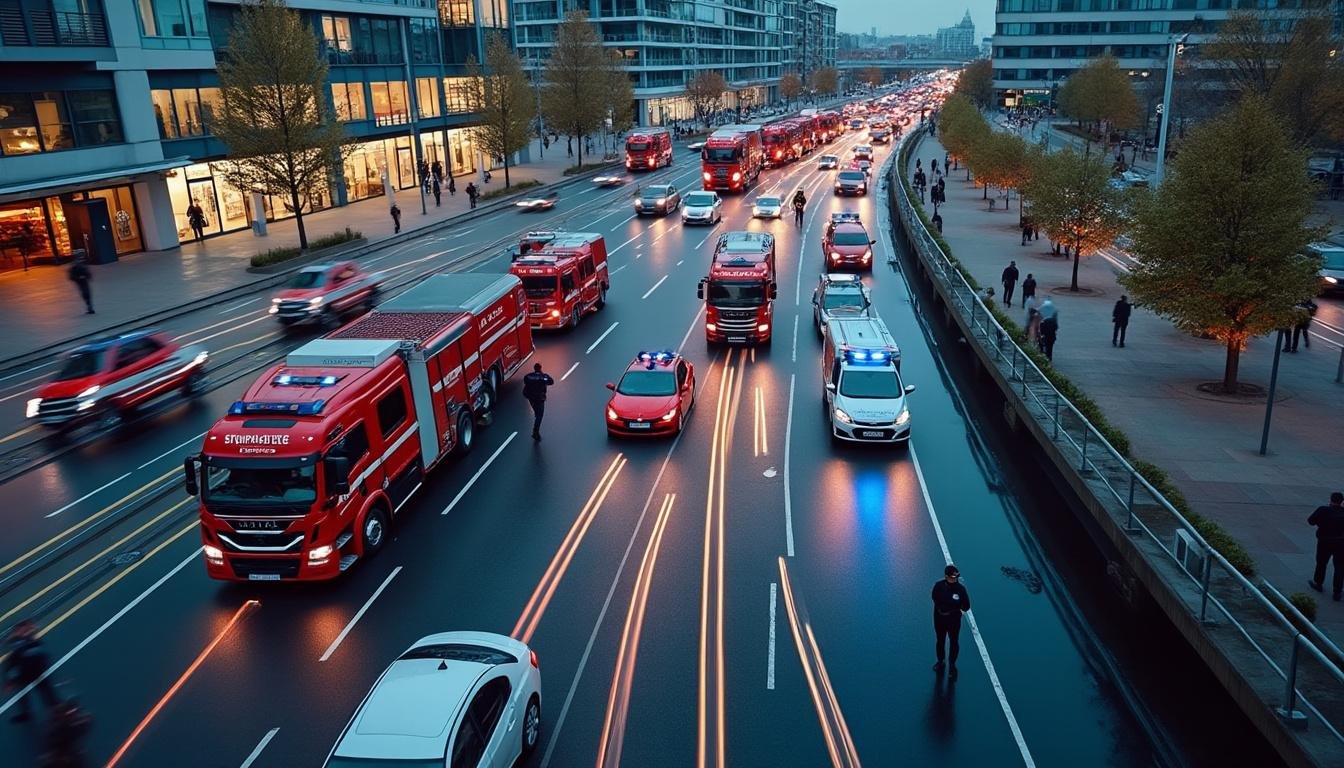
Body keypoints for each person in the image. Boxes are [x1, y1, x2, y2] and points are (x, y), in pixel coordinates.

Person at [3, 620, 58, 722]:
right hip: (26, 672)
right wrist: (10, 680)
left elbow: (38, 656)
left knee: (47, 693)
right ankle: (26, 713)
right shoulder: (19, 642)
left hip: (36, 671)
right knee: (25, 695)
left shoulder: (30, 642)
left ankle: (56, 710)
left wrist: (11, 679)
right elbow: (14, 659)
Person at [931, 564, 971, 680]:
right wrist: (941, 607)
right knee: (940, 640)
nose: (955, 579)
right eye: (953, 577)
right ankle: (941, 661)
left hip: (953, 621)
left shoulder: (960, 589)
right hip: (939, 619)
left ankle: (952, 665)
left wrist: (955, 609)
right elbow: (934, 597)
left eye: (956, 577)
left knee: (954, 642)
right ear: (946, 576)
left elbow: (966, 606)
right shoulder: (938, 586)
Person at [1309, 492, 1344, 600]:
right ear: (1341, 501)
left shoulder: (1323, 510)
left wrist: (1321, 524)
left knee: (1321, 563)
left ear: (1331, 500)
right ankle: (1337, 592)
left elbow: (1311, 521)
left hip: (1324, 541)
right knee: (1339, 567)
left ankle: (1318, 583)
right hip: (1341, 543)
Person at [522, 363, 554, 441]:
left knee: (536, 411)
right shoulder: (544, 376)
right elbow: (551, 381)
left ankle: (536, 419)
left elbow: (525, 381)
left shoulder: (528, 376)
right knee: (539, 415)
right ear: (540, 368)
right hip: (539, 398)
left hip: (530, 397)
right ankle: (535, 432)